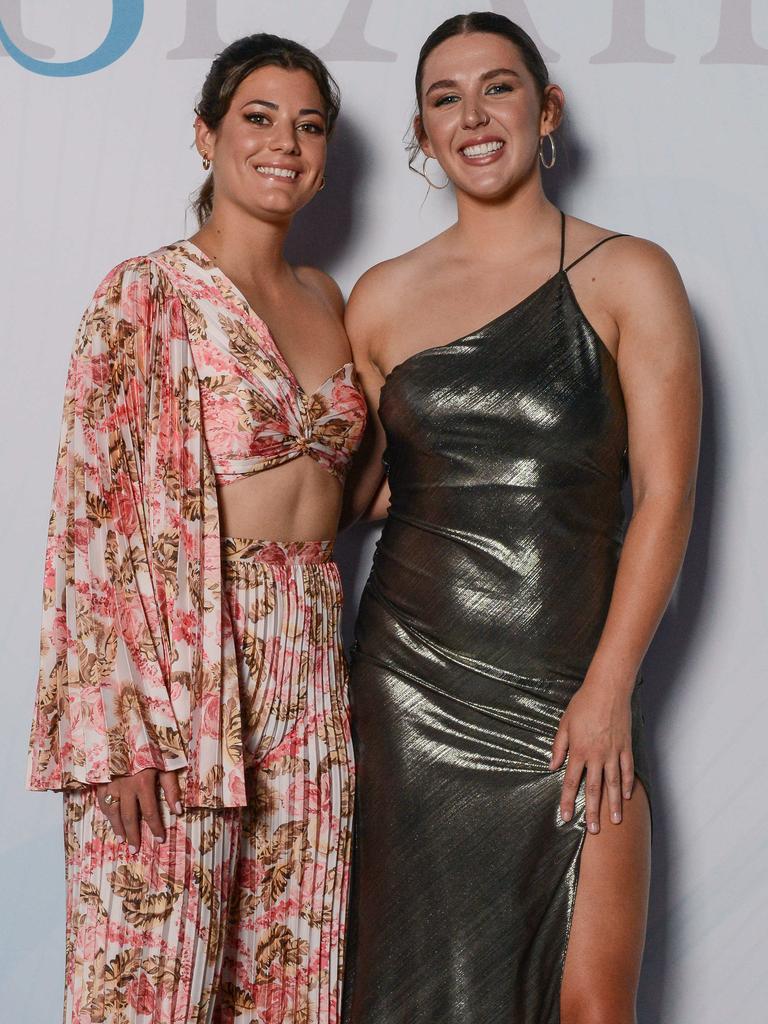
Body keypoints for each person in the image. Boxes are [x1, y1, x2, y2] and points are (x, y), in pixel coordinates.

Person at [340, 11, 701, 1024]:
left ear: (546, 110)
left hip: (571, 692)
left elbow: (666, 497)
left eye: (497, 87)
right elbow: (355, 493)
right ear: (421, 132)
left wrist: (609, 688)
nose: (473, 114)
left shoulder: (632, 274)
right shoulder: (379, 298)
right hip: (409, 694)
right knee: (410, 997)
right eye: (445, 98)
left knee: (592, 1005)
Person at [26, 33, 367, 1024]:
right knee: (153, 981)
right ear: (206, 134)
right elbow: (96, 512)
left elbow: (344, 488)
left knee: (287, 979)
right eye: (259, 117)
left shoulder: (330, 301)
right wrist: (119, 732)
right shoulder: (149, 291)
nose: (285, 143)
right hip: (181, 672)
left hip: (307, 662)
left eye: (309, 125)